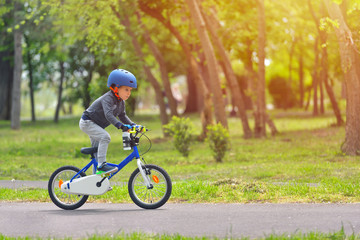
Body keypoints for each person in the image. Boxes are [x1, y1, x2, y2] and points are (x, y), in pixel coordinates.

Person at [79, 69, 137, 173]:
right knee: (105, 137)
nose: (129, 93)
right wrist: (120, 126)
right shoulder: (108, 98)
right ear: (115, 88)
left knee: (97, 153)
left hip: (96, 125)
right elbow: (108, 114)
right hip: (87, 122)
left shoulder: (121, 102)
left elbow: (122, 116)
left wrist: (133, 125)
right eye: (126, 89)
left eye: (130, 90)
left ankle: (97, 183)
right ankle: (102, 166)